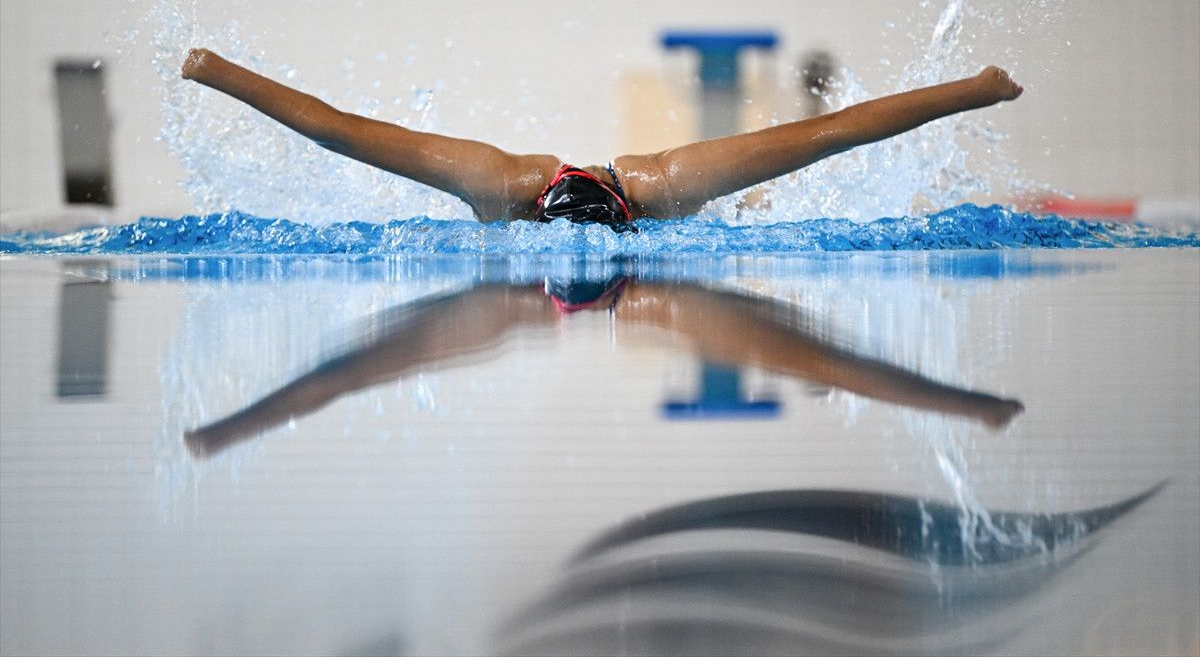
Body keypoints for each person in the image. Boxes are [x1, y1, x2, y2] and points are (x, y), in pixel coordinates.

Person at [183, 276, 1024, 457]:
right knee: (822, 362)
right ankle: (965, 409)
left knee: (822, 362)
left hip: (547, 290)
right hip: (555, 288)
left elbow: (840, 132)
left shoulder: (665, 188)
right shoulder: (498, 186)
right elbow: (341, 132)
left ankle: (967, 409)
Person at [181, 48, 1023, 229]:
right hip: (642, 188)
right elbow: (335, 133)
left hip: (640, 183)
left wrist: (219, 70)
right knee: (790, 173)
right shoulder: (500, 183)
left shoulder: (499, 185)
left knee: (798, 165)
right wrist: (214, 72)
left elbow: (337, 132)